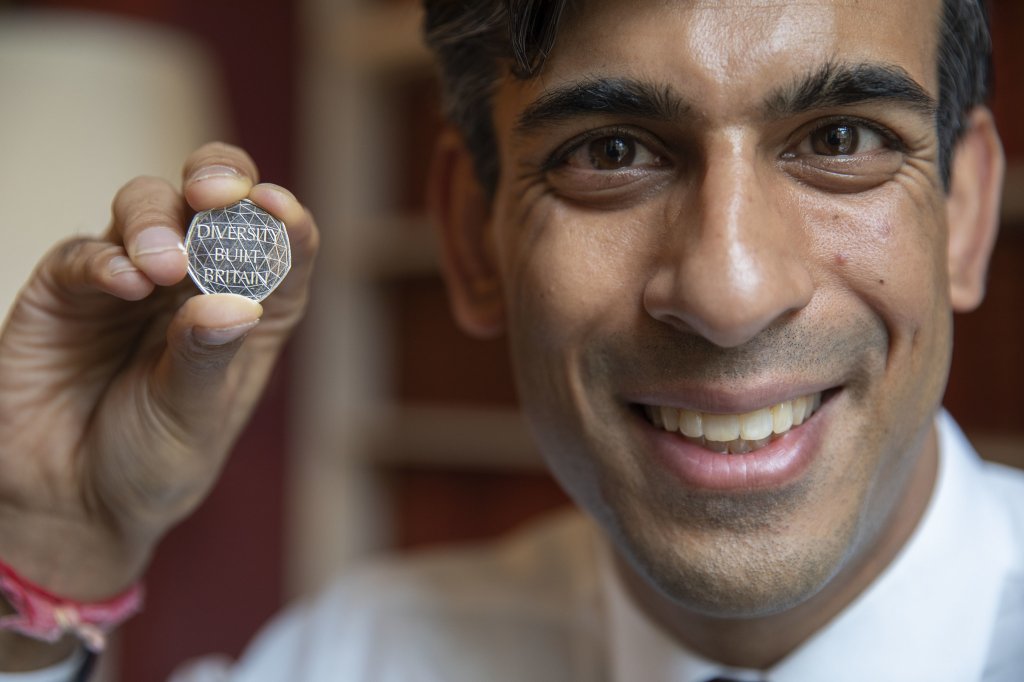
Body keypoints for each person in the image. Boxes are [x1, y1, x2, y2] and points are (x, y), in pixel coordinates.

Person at [0, 0, 1021, 679]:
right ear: (470, 237)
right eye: (609, 152)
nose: (728, 291)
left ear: (967, 214)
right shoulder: (360, 657)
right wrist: (54, 547)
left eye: (841, 140)